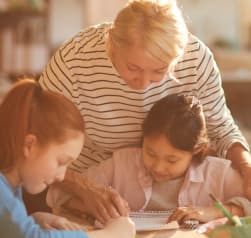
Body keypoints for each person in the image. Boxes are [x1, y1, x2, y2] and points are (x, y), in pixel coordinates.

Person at [39, 0, 251, 222]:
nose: (143, 84)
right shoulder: (74, 61)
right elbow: (36, 142)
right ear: (112, 43)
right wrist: (83, 187)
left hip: (164, 198)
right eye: (133, 68)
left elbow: (221, 129)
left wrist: (246, 166)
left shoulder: (196, 59)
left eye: (159, 71)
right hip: (88, 187)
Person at [47, 94, 251, 224]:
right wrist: (91, 207)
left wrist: (214, 212)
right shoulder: (121, 165)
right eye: (150, 153)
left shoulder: (217, 173)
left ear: (196, 151)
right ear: (142, 139)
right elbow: (56, 193)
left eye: (172, 160)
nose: (158, 167)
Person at [0, 79, 135, 238]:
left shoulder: (10, 183)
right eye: (61, 161)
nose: (62, 176)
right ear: (29, 145)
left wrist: (32, 221)